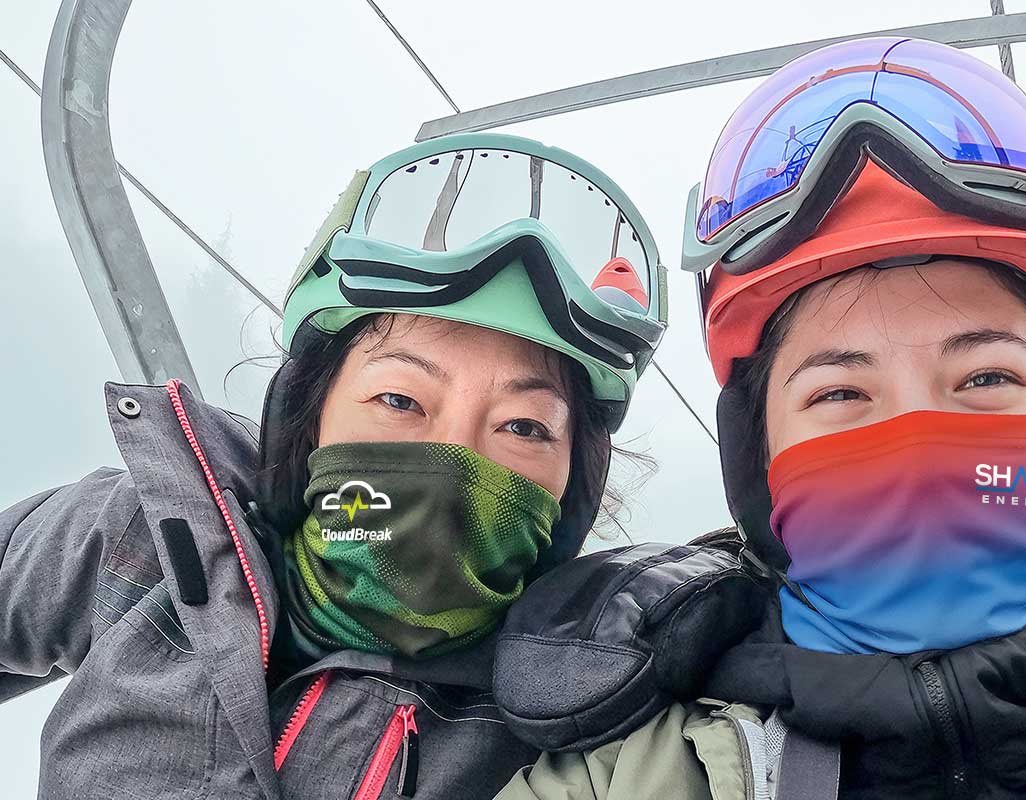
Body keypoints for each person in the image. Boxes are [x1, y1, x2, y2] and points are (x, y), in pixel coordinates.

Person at [497, 37, 1026, 800]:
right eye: (841, 395)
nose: (917, 437)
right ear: (758, 464)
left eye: (986, 377)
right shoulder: (621, 779)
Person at [0, 132, 670, 798]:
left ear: (571, 489)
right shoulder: (149, 539)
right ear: (309, 415)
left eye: (523, 427)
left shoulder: (577, 732)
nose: (457, 456)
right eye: (400, 400)